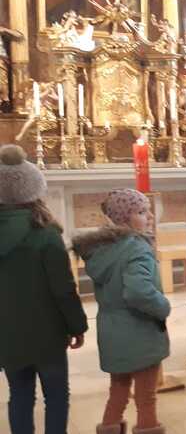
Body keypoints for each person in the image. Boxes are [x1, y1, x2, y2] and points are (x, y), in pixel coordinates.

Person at [0, 145, 88, 434]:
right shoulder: (46, 234)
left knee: (19, 395)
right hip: (47, 332)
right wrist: (77, 325)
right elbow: (63, 289)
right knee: (56, 397)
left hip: (8, 333)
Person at [73, 189, 171, 434]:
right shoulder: (136, 249)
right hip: (140, 331)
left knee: (118, 391)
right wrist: (163, 307)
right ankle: (148, 428)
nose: (150, 216)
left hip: (111, 331)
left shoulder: (103, 249)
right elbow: (138, 292)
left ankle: (109, 428)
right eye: (142, 211)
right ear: (124, 218)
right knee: (146, 397)